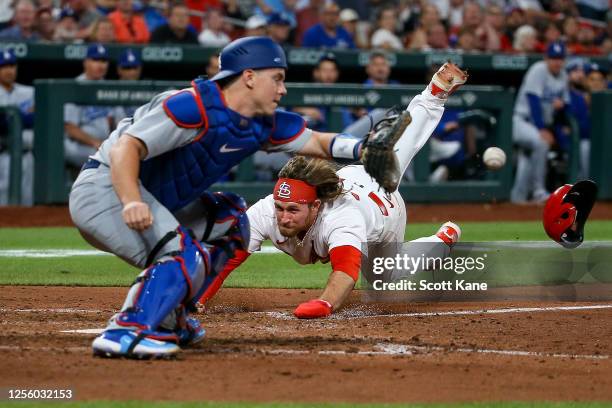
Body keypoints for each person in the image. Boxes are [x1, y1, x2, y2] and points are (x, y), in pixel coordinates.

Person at [69, 36, 397, 359]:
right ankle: (129, 330)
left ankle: (171, 317)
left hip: (154, 198)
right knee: (180, 251)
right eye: (278, 79)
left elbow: (318, 142)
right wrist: (131, 200)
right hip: (107, 191)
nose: (283, 90)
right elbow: (127, 147)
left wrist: (361, 150)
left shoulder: (259, 124)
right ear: (249, 77)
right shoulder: (190, 105)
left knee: (231, 222)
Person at [197, 62, 469, 318]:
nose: (283, 216)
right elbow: (226, 258)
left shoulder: (342, 218)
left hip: (382, 209)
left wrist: (325, 303)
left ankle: (442, 240)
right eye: (280, 208)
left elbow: (346, 270)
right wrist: (197, 299)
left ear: (315, 206)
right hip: (353, 177)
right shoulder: (266, 211)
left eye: (293, 209)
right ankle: (433, 94)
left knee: (383, 276)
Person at [511, 41, 570, 203]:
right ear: (546, 58)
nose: (557, 62)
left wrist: (562, 105)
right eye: (553, 58)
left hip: (538, 125)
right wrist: (542, 129)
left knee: (528, 157)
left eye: (560, 58)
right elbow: (533, 99)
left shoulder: (563, 75)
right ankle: (538, 191)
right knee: (541, 142)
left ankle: (517, 198)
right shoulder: (539, 69)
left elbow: (566, 102)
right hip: (522, 121)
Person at [64, 43, 116, 168]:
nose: (100, 65)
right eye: (95, 60)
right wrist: (95, 142)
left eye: (103, 61)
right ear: (86, 62)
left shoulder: (107, 86)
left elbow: (110, 122)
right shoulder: (76, 87)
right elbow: (70, 128)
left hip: (101, 145)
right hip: (78, 145)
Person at [0, 49, 34, 206]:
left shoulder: (29, 92)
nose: (9, 70)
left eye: (12, 66)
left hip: (27, 154)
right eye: (4, 66)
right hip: (3, 154)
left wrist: (15, 118)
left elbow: (38, 118)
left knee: (28, 200)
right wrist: (23, 116)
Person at [113, 49, 143, 122]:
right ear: (119, 69)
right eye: (128, 68)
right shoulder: (111, 88)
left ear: (140, 69)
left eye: (134, 68)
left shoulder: (146, 89)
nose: (132, 72)